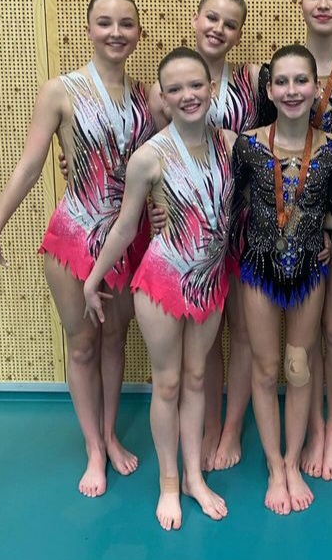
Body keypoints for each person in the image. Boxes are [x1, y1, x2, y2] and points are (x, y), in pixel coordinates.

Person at [0, 0, 158, 497]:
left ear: (138, 33)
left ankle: (110, 435)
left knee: (115, 340)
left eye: (126, 24)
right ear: (89, 29)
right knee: (83, 343)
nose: (116, 32)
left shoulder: (144, 96)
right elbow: (30, 166)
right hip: (74, 237)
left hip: (125, 240)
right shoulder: (61, 90)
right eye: (105, 22)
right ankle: (93, 447)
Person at [84, 47, 234, 530]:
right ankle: (169, 482)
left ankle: (193, 476)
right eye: (175, 89)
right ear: (163, 98)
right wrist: (93, 279)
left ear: (211, 88)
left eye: (196, 85)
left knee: (197, 379)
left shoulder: (231, 144)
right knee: (167, 383)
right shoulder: (148, 157)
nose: (188, 95)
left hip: (209, 282)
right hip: (162, 282)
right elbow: (126, 226)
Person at [233, 44, 332, 515]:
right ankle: (274, 466)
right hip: (259, 269)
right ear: (268, 89)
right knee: (265, 369)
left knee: (298, 367)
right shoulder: (247, 145)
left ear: (315, 89)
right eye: (281, 82)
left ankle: (293, 459)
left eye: (301, 81)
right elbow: (226, 200)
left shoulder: (331, 147)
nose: (291, 90)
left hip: (309, 270)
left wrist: (322, 230)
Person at [148, 0, 261, 472]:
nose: (218, 28)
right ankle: (209, 423)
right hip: (191, 234)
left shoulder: (250, 80)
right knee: (204, 338)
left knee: (242, 330)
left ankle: (231, 427)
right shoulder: (167, 88)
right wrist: (153, 206)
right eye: (211, 17)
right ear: (196, 19)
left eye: (229, 23)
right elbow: (151, 157)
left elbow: (288, 128)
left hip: (243, 222)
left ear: (239, 33)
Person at [259, 0, 332, 482]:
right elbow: (254, 145)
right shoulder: (279, 72)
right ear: (301, 2)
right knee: (301, 337)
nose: (323, 4)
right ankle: (313, 422)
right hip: (291, 225)